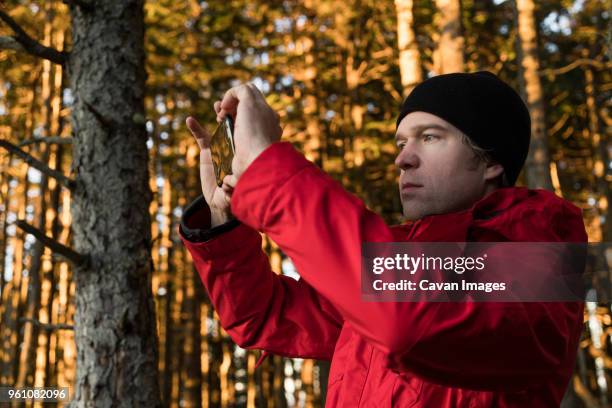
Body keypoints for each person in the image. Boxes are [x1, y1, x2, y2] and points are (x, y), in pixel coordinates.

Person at [179, 72, 586, 407]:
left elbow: (404, 320)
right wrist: (223, 220)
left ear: (492, 162)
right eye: (401, 142)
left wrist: (271, 167)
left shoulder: (540, 256)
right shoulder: (403, 261)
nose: (402, 158)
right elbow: (265, 317)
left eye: (429, 137)